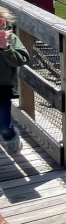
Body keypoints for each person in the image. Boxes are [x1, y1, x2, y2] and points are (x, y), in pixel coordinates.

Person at [0, 13, 29, 153]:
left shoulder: (11, 39)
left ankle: (12, 136)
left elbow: (22, 59)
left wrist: (6, 48)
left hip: (3, 87)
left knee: (4, 126)